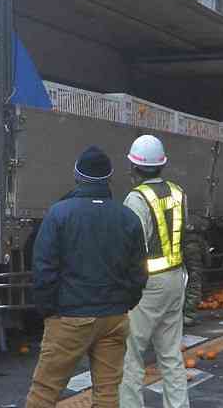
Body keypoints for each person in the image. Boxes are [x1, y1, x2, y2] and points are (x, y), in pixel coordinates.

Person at [26, 146, 147, 408]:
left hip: (70, 316)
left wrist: (48, 310)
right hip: (113, 317)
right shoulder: (127, 217)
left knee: (44, 391)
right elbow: (139, 271)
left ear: (76, 176)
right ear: (109, 178)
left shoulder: (58, 213)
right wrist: (125, 302)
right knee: (107, 392)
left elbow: (44, 269)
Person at [120, 135, 190, 408]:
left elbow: (132, 247)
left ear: (134, 167)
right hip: (175, 278)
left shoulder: (136, 198)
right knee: (171, 355)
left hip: (148, 284)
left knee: (131, 356)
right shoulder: (178, 192)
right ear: (161, 164)